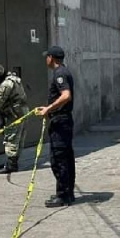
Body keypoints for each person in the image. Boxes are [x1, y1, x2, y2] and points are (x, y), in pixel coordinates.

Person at [36, 46, 76, 208]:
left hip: (60, 122)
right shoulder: (64, 72)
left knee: (58, 159)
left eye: (47, 57)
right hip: (62, 120)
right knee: (66, 158)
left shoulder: (59, 74)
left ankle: (63, 195)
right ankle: (67, 192)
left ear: (51, 58)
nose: (46, 59)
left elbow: (66, 96)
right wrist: (48, 109)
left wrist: (48, 109)